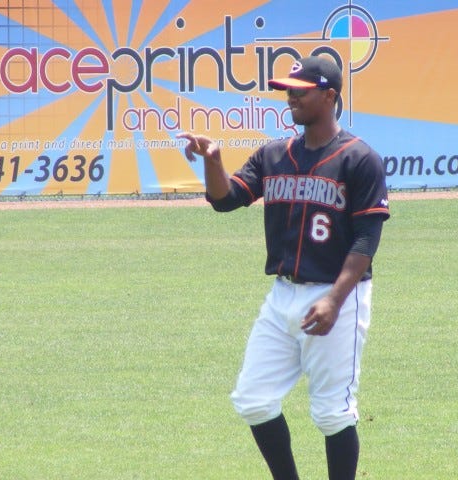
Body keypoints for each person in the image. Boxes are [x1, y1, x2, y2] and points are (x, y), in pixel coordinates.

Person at [178, 56, 389, 480]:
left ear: (329, 95)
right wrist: (213, 160)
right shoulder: (274, 154)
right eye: (288, 89)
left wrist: (333, 300)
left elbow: (367, 240)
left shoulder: (360, 159)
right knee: (253, 400)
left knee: (332, 413)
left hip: (338, 297)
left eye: (301, 89)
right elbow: (226, 200)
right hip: (283, 295)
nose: (290, 95)